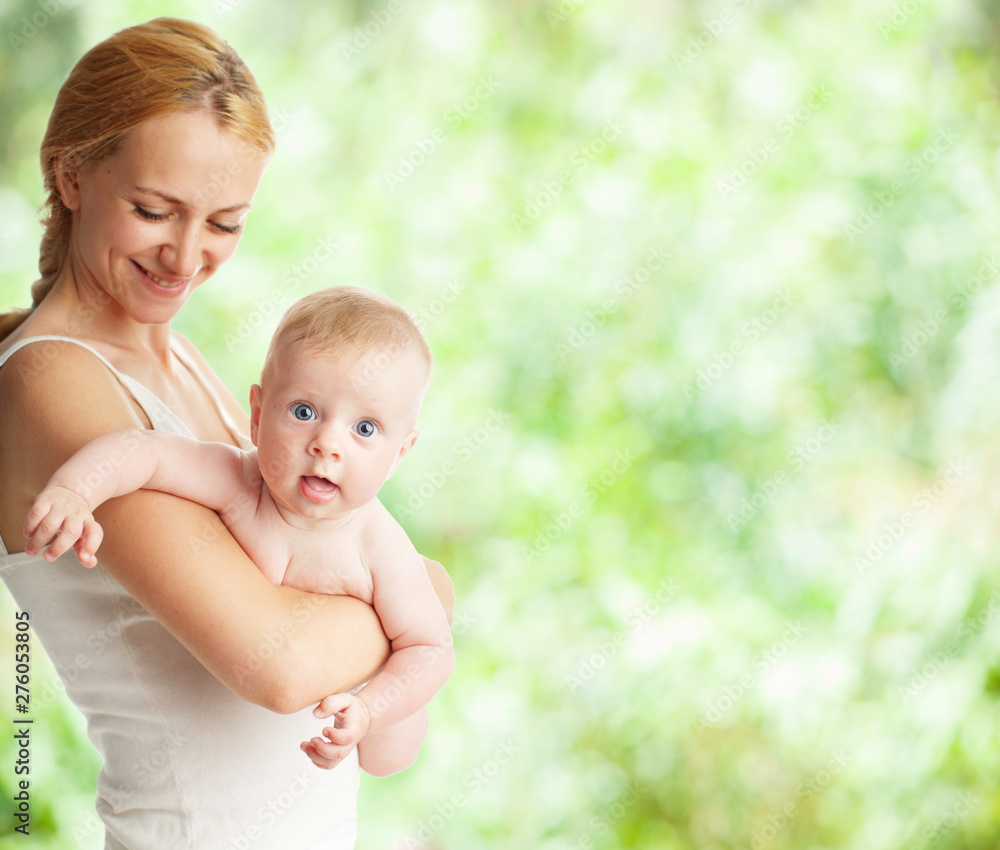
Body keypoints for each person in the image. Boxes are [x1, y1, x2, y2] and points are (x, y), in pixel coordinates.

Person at [0, 17, 453, 850]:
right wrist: (425, 600)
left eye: (224, 223)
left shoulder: (183, 361)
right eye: (154, 210)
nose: (185, 257)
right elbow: (278, 662)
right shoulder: (51, 379)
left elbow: (377, 735)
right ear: (70, 174)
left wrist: (399, 641)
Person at [24, 286, 455, 779]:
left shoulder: (378, 546)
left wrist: (370, 711)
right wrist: (75, 492)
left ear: (399, 454)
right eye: (304, 412)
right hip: (223, 768)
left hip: (335, 741)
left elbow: (429, 649)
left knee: (386, 756)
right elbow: (145, 452)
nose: (327, 444)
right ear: (257, 413)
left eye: (365, 429)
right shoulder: (239, 482)